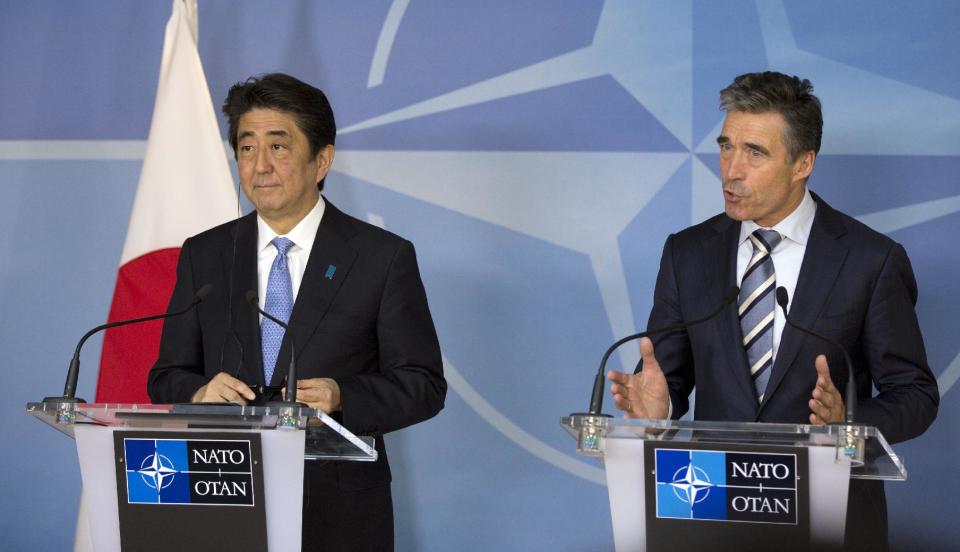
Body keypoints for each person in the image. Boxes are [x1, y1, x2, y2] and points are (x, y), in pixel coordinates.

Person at [607, 71, 938, 550]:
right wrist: (658, 409)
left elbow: (916, 395)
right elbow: (669, 378)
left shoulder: (871, 261)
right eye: (726, 147)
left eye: (754, 153)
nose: (730, 170)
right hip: (711, 516)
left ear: (803, 162)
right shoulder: (688, 253)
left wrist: (850, 422)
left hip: (832, 521)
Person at [147, 72, 446, 551]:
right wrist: (200, 390)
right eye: (247, 148)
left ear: (321, 159)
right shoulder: (205, 254)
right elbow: (166, 375)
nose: (260, 166)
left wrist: (341, 395)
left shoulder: (380, 257)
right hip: (220, 495)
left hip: (337, 514)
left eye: (278, 147)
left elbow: (423, 384)